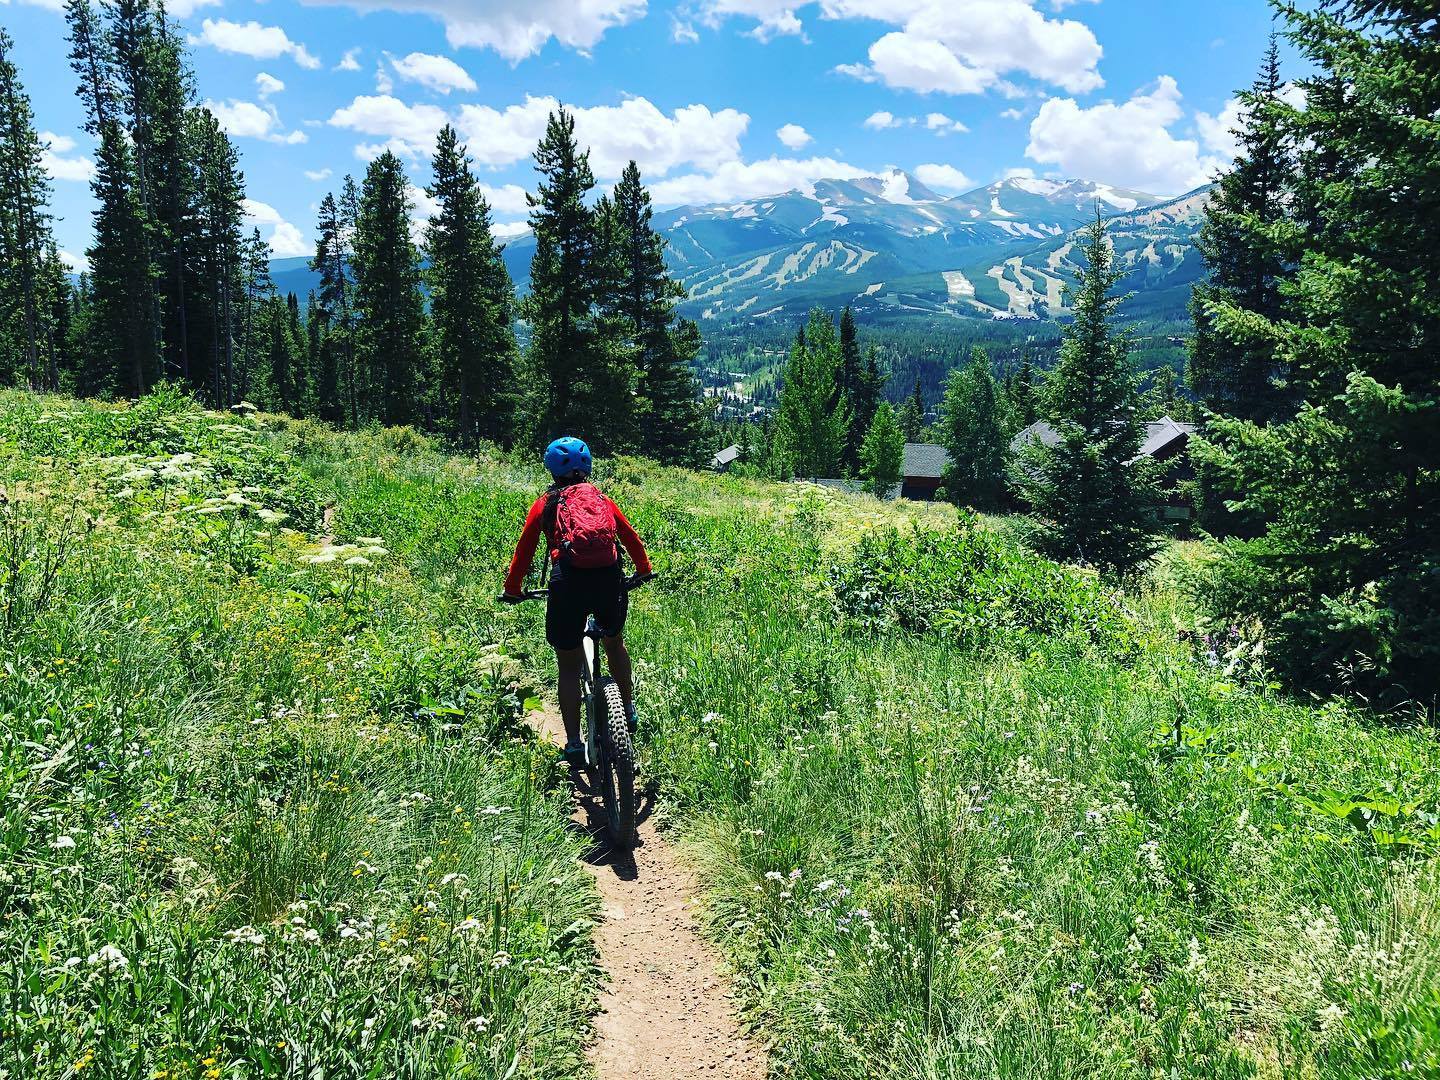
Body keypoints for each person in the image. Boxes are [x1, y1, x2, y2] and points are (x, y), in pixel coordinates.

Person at [502, 436, 652, 765]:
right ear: (588, 467)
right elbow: (629, 536)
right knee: (614, 644)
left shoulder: (545, 504)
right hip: (608, 580)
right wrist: (643, 570)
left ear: (551, 469)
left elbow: (524, 551)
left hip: (567, 584)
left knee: (567, 665)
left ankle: (572, 742)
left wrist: (513, 589)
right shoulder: (601, 499)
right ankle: (627, 710)